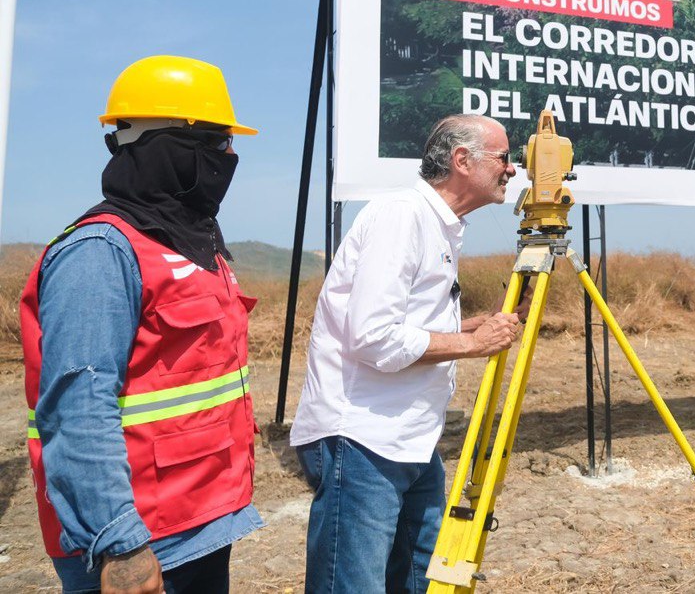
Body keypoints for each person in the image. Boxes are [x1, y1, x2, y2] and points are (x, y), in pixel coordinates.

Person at [20, 55, 262, 593]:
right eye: (217, 143)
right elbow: (77, 407)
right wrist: (119, 544)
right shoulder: (100, 253)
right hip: (141, 540)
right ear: (170, 148)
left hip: (199, 519)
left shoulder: (192, 244)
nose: (229, 157)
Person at [290, 114, 525, 594]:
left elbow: (402, 323)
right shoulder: (401, 216)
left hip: (412, 440)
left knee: (420, 582)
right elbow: (373, 336)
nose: (513, 170)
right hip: (362, 440)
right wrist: (471, 345)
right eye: (503, 157)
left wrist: (464, 326)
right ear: (462, 160)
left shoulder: (440, 225)